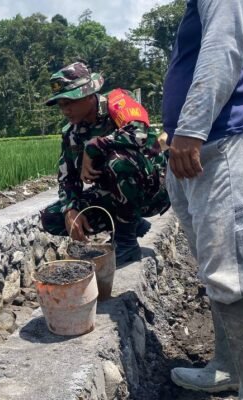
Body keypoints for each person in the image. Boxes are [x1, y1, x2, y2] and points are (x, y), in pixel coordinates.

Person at [162, 0, 243, 398]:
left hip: (228, 132)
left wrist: (191, 128)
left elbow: (224, 45)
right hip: (211, 138)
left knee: (236, 267)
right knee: (219, 260)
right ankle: (230, 366)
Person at [40, 61, 170, 264]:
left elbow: (139, 134)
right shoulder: (72, 134)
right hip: (114, 196)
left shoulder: (117, 103)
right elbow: (67, 177)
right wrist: (70, 208)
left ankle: (127, 243)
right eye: (61, 105)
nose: (65, 110)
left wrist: (94, 146)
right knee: (52, 217)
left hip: (153, 191)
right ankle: (131, 223)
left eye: (69, 102)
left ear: (88, 95)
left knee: (117, 162)